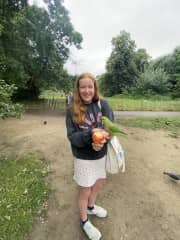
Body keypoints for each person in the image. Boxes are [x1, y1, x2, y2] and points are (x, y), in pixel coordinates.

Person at [66, 72, 114, 240]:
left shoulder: (104, 105)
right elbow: (72, 137)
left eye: (90, 87)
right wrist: (90, 136)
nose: (87, 90)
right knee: (85, 189)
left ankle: (91, 207)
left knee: (98, 183)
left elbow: (110, 130)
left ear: (95, 88)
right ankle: (84, 221)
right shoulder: (72, 110)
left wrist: (102, 141)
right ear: (78, 89)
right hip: (83, 158)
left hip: (100, 155)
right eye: (83, 87)